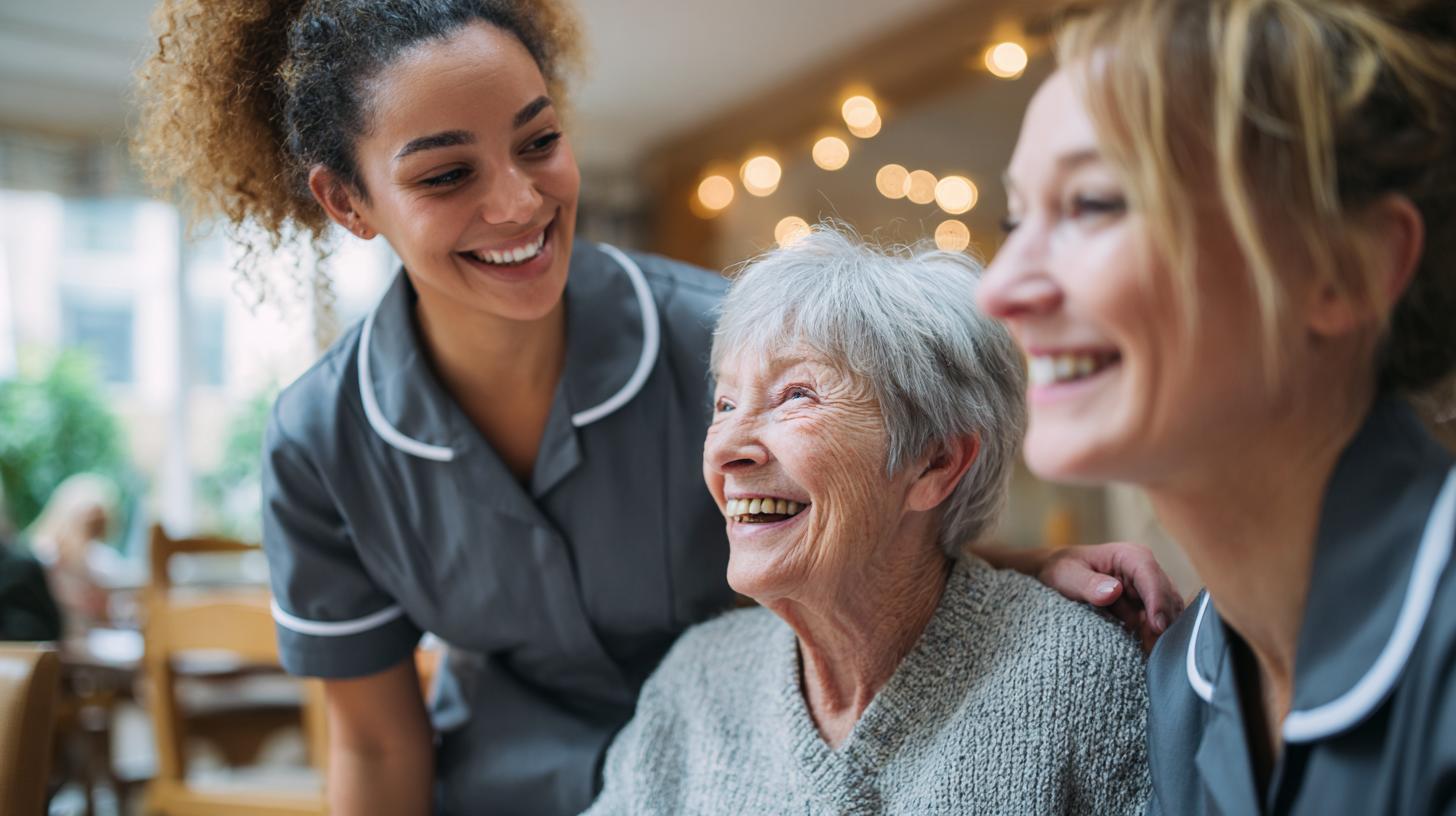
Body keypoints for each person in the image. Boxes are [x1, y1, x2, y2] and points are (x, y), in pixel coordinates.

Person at [132, 2, 1181, 813]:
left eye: (538, 142)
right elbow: (373, 744)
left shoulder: (726, 346)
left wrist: (1020, 575)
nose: (518, 202)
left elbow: (865, 511)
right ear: (348, 201)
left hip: (748, 773)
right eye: (447, 174)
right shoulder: (321, 441)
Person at [979, 1, 1456, 813]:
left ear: (1346, 269)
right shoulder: (1183, 676)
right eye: (1014, 219)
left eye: (1093, 203)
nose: (999, 290)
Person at [586, 227, 1150, 815]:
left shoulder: (1075, 675)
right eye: (725, 404)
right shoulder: (698, 681)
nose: (726, 450)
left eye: (796, 395)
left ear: (934, 462)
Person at [26, 473, 122, 635]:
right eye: (88, 522)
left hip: (87, 639)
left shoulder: (102, 560)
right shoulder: (43, 555)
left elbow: (108, 613)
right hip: (51, 636)